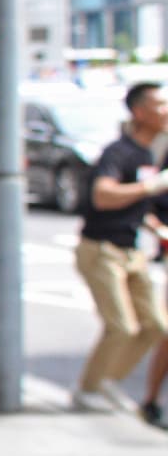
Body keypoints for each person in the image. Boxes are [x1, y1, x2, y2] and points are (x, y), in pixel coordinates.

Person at [70, 82, 168, 416]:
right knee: (122, 326)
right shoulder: (119, 153)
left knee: (156, 326)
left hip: (131, 250)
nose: (166, 110)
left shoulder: (147, 154)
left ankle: (108, 380)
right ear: (139, 112)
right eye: (159, 105)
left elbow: (141, 206)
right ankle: (87, 390)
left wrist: (155, 225)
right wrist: (148, 187)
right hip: (102, 248)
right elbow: (103, 195)